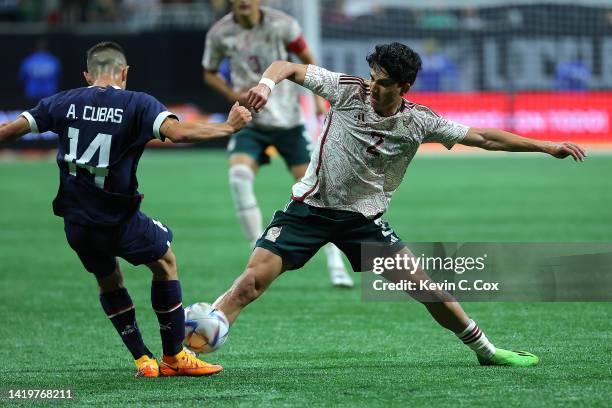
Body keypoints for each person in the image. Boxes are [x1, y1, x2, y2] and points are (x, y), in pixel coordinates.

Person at [211, 42, 587, 367]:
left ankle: (487, 351)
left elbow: (485, 138)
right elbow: (288, 66)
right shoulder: (346, 90)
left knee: (429, 290)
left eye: (384, 82)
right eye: (372, 77)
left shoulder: (419, 121)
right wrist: (265, 84)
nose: (373, 86)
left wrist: (546, 145)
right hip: (309, 211)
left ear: (404, 87)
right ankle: (190, 346)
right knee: (249, 285)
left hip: (363, 222)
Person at [0, 41, 252, 377]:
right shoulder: (137, 103)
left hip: (75, 222)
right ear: (124, 73)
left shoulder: (61, 102)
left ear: (88, 74)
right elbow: (177, 133)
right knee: (165, 262)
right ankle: (175, 356)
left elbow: (8, 131)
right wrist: (229, 127)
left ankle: (142, 359)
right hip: (117, 218)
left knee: (109, 280)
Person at [202, 0, 354, 288]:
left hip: (289, 120)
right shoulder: (219, 33)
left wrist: (317, 99)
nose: (244, 1)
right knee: (238, 178)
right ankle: (256, 253)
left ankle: (335, 263)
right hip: (251, 121)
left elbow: (308, 60)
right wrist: (232, 92)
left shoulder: (283, 24)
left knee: (319, 193)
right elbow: (208, 72)